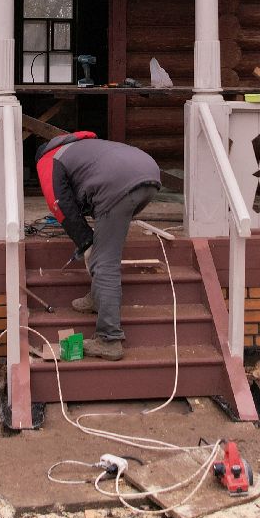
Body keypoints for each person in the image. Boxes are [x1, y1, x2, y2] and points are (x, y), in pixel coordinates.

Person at [34, 132, 161, 361]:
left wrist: (85, 241)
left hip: (118, 184)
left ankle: (109, 339)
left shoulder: (47, 161)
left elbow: (60, 205)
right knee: (105, 247)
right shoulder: (81, 148)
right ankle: (96, 298)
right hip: (148, 173)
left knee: (104, 262)